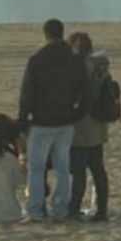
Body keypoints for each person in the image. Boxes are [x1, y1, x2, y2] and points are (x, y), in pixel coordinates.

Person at [18, 19, 89, 222]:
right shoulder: (74, 60)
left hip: (41, 121)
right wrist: (77, 113)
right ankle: (60, 209)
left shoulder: (37, 60)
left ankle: (36, 210)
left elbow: (27, 94)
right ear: (62, 33)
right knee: (63, 168)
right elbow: (85, 92)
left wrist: (24, 119)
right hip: (66, 121)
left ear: (45, 35)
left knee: (36, 168)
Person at [67, 32, 110, 222]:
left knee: (78, 172)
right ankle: (102, 209)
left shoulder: (78, 68)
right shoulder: (102, 67)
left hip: (80, 126)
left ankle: (74, 208)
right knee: (98, 170)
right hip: (98, 125)